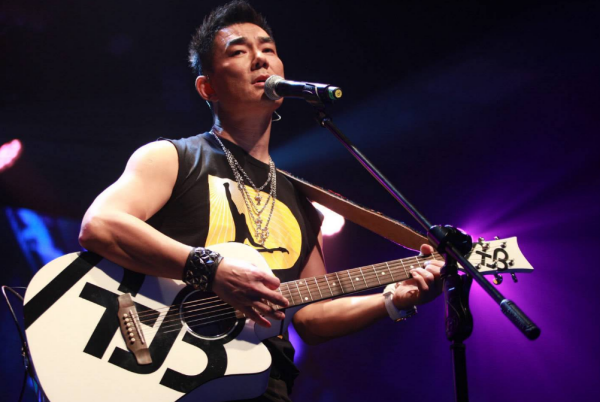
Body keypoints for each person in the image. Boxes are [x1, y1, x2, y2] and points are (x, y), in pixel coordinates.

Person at [79, 1, 444, 400]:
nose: (260, 58)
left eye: (268, 48)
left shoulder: (301, 202)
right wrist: (212, 271)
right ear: (207, 87)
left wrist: (393, 300)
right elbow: (101, 225)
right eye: (238, 51)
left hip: (263, 381)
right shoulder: (173, 157)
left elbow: (311, 317)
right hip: (168, 369)